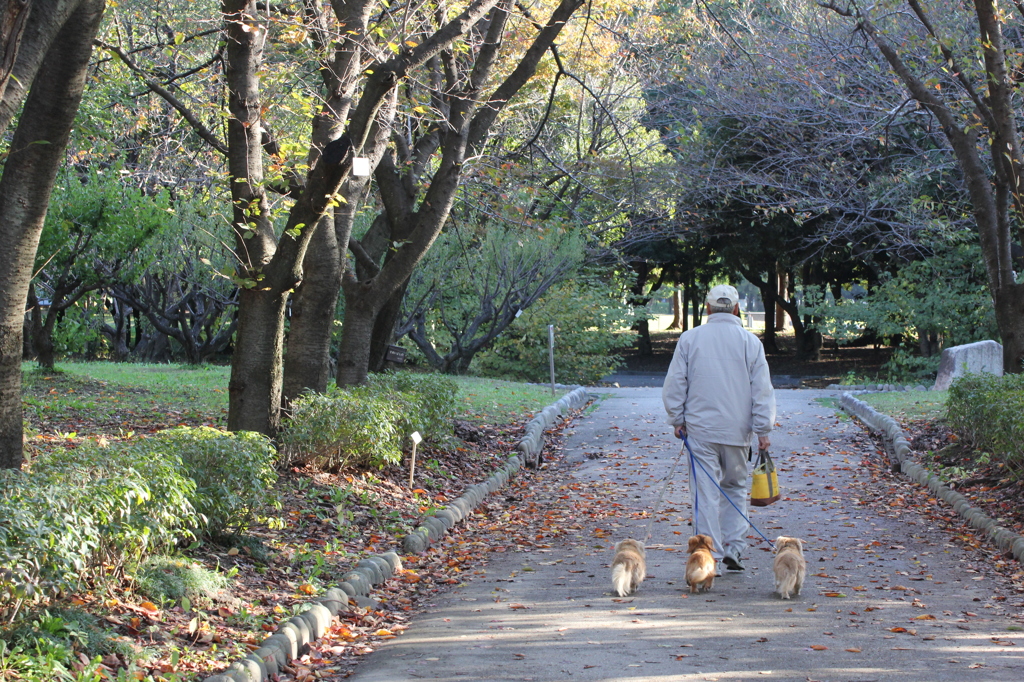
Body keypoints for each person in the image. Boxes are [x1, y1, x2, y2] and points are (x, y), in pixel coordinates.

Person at [662, 284, 776, 571]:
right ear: (737, 309)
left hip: (700, 430)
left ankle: (707, 552)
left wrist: (677, 419)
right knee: (736, 487)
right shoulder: (751, 343)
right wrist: (763, 430)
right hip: (738, 432)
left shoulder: (690, 339)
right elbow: (762, 390)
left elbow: (676, 382)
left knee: (705, 492)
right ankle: (735, 547)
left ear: (708, 308)